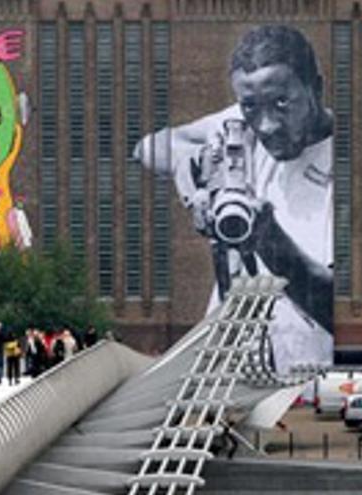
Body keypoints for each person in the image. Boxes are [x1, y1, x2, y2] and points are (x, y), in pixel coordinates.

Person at [134, 25, 334, 373]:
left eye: (282, 104)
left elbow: (343, 312)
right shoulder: (240, 127)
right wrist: (190, 166)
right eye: (250, 107)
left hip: (307, 380)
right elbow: (147, 147)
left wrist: (271, 243)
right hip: (228, 373)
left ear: (315, 88)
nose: (267, 124)